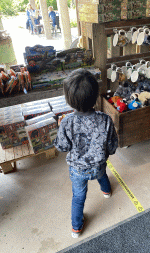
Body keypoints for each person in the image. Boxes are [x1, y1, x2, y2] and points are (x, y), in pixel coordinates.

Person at [54, 69, 118, 238]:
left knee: (78, 196)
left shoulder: (66, 122)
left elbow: (62, 147)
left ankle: (76, 228)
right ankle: (106, 192)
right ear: (96, 95)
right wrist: (106, 153)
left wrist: (61, 128)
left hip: (77, 170)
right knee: (102, 174)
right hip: (98, 165)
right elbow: (112, 145)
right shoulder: (105, 119)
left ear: (69, 100)